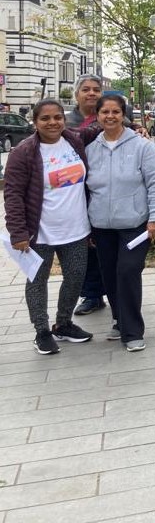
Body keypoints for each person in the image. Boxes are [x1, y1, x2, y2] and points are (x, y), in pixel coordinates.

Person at [4, 99, 94, 354]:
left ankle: (63, 324)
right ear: (35, 122)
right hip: (39, 232)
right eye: (45, 118)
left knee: (76, 276)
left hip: (76, 228)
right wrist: (18, 233)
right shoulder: (24, 151)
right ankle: (41, 331)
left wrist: (135, 127)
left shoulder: (73, 140)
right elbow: (12, 194)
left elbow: (101, 126)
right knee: (37, 280)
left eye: (57, 117)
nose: (52, 122)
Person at [85, 95, 155, 352]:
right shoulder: (90, 150)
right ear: (97, 116)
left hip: (135, 223)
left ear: (124, 115)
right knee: (109, 273)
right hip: (101, 225)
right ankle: (120, 320)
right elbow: (83, 189)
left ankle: (133, 331)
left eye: (116, 112)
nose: (110, 116)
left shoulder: (143, 147)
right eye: (105, 112)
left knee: (128, 271)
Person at [68, 74, 108, 317]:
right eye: (86, 89)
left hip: (105, 188)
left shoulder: (110, 115)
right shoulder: (65, 121)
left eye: (96, 89)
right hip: (74, 191)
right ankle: (91, 294)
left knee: (103, 241)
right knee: (83, 243)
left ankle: (110, 289)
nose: (91, 93)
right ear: (77, 94)